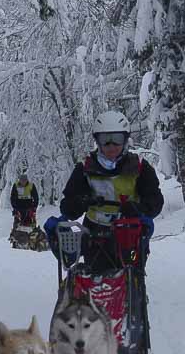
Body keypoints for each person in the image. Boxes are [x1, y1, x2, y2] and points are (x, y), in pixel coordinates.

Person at [58, 110, 164, 271]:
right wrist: (81, 202)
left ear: (125, 140)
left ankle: (135, 293)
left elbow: (155, 200)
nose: (111, 146)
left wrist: (138, 209)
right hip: (95, 234)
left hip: (130, 233)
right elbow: (67, 205)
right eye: (105, 140)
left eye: (117, 139)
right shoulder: (85, 167)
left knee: (132, 274)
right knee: (95, 278)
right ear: (97, 141)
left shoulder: (139, 166)